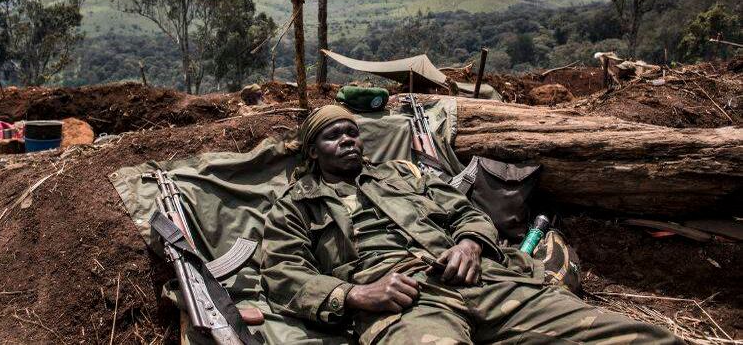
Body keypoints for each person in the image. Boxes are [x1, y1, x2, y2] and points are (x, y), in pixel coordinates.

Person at [261, 105, 681, 345]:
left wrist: (469, 244)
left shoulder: (404, 175)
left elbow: (467, 213)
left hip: (485, 281)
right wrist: (354, 294)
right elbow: (282, 273)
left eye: (353, 132)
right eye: (334, 136)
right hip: (406, 304)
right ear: (312, 152)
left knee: (644, 339)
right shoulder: (294, 206)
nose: (349, 140)